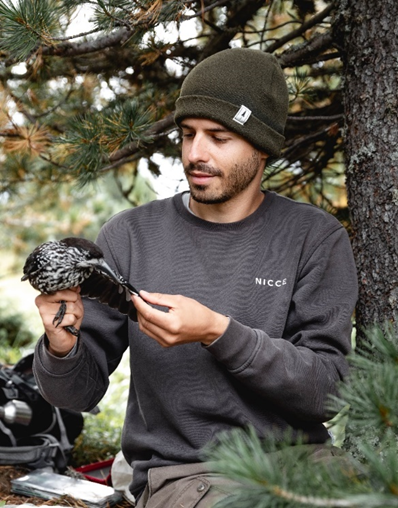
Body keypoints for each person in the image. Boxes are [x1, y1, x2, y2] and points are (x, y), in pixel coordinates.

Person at [32, 48, 358, 507]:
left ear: (261, 147)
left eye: (218, 137)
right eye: (187, 135)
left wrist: (218, 333)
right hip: (188, 474)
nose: (195, 154)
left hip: (305, 464)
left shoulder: (312, 237)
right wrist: (61, 345)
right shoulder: (131, 235)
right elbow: (77, 393)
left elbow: (328, 390)